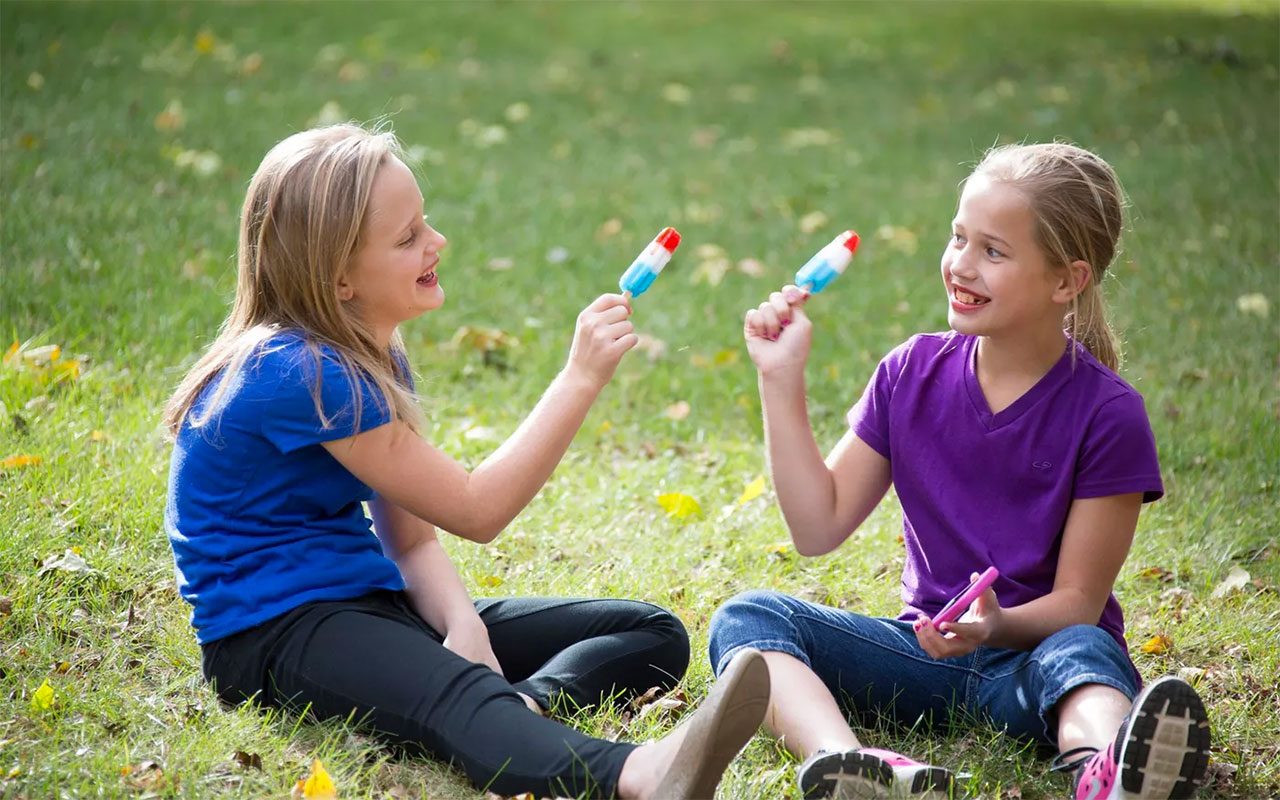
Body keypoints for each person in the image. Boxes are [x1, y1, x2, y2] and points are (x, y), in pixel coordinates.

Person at [162, 123, 769, 799]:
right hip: (274, 635)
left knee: (645, 632)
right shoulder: (300, 374)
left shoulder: (372, 356)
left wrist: (463, 624)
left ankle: (523, 708)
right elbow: (476, 511)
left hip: (367, 601)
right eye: (408, 236)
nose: (437, 242)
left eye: (425, 222)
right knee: (454, 696)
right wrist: (579, 377)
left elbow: (412, 537)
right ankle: (642, 775)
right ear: (338, 279)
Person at [709, 143, 1211, 799]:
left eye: (993, 252)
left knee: (1085, 651)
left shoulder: (1109, 415)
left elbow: (1077, 603)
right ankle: (856, 767)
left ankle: (1104, 770)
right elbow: (816, 526)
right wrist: (780, 380)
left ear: (1067, 281)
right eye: (958, 238)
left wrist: (999, 626)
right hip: (923, 657)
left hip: (1038, 663)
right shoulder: (909, 374)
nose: (960, 266)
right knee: (746, 622)